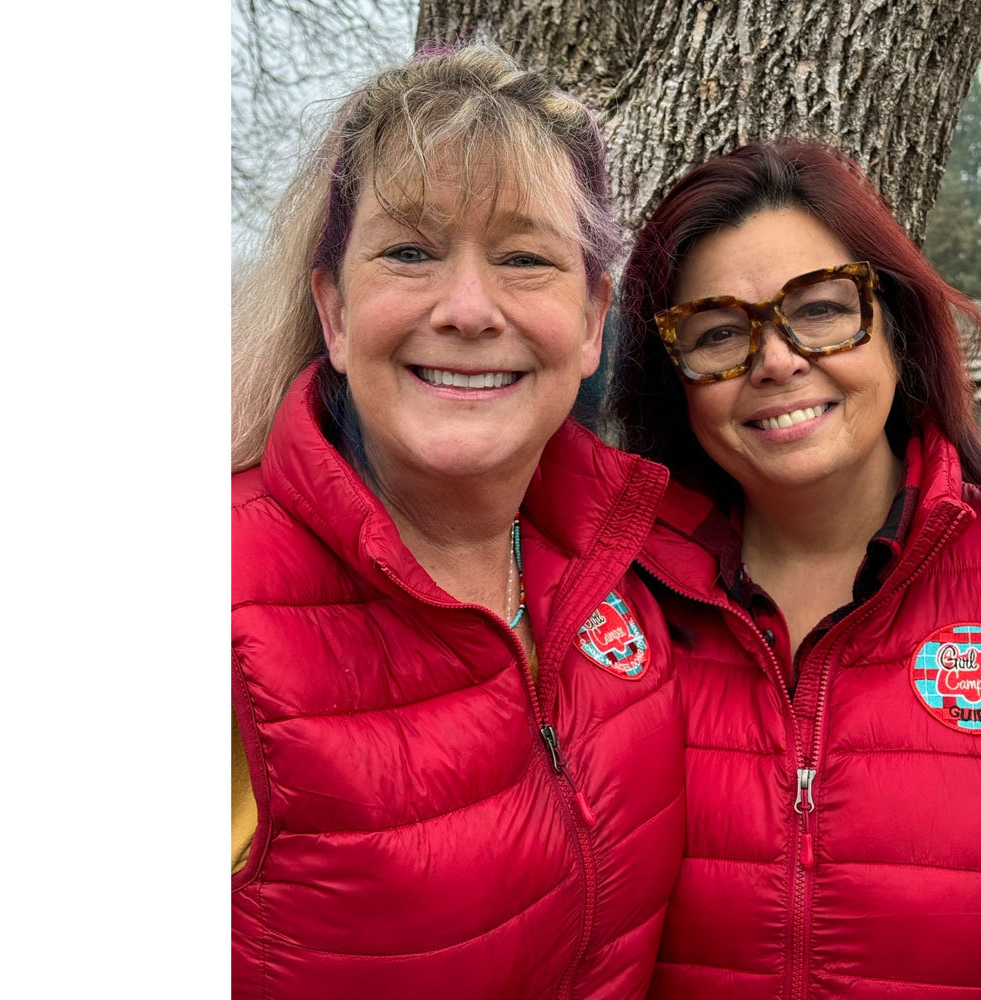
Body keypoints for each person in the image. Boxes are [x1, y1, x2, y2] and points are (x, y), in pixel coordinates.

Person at [231, 43, 684, 999]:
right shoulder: (223, 605)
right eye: (409, 251)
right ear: (335, 313)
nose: (471, 309)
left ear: (594, 315)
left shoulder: (632, 577)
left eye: (526, 258)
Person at [610, 139, 981, 998]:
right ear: (675, 380)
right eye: (719, 331)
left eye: (823, 309)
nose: (776, 360)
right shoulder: (610, 612)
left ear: (898, 327)